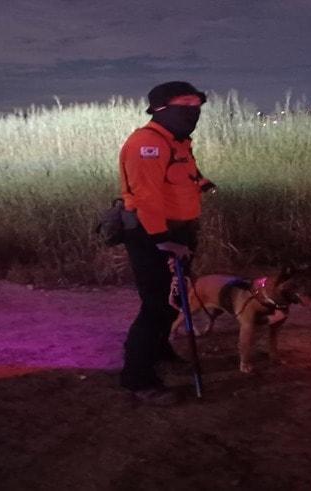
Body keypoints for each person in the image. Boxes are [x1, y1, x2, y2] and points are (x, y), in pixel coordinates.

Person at [118, 81, 213, 404]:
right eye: (184, 104)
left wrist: (201, 184)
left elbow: (185, 174)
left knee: (173, 298)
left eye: (196, 104)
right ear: (160, 109)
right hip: (153, 235)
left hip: (179, 231)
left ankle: (160, 350)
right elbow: (146, 199)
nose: (193, 110)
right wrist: (163, 241)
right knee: (156, 306)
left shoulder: (179, 141)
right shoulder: (148, 143)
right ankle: (137, 378)